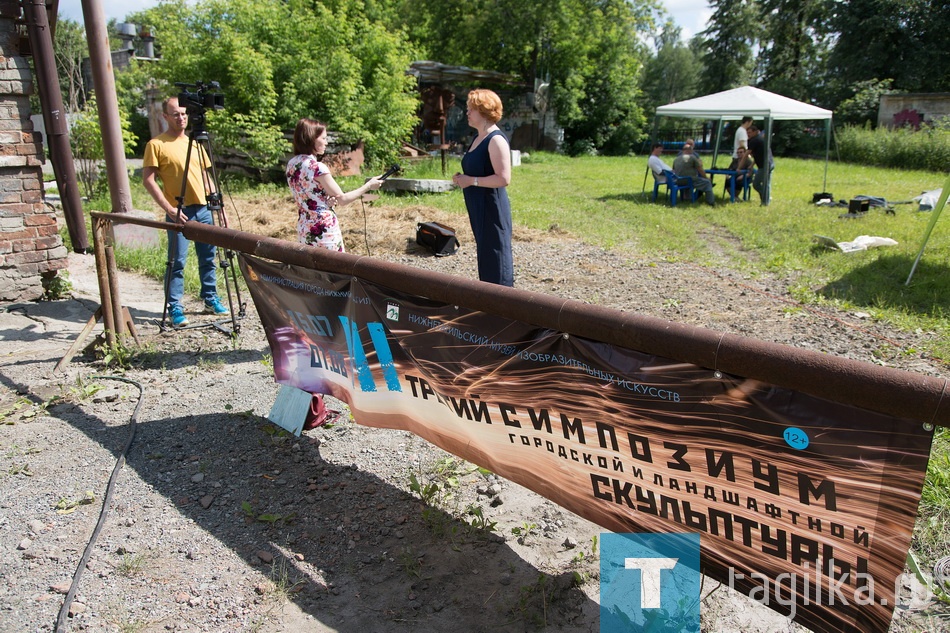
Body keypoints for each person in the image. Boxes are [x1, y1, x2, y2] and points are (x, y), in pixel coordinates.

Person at [143, 96, 227, 328]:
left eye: (183, 113)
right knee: (176, 261)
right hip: (179, 212)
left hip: (203, 209)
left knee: (208, 257)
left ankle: (210, 298)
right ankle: (175, 308)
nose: (180, 118)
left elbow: (205, 176)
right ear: (165, 117)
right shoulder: (157, 144)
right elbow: (148, 180)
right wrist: (168, 208)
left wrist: (217, 205)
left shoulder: (195, 143)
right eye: (175, 114)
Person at [286, 118, 384, 252]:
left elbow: (310, 196)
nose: (326, 142)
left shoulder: (292, 164)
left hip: (304, 226)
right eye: (324, 138)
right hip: (323, 229)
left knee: (312, 269)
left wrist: (326, 201)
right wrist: (368, 185)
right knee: (334, 269)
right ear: (311, 139)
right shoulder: (317, 167)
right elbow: (343, 199)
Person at [452, 89, 513, 287]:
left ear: (484, 111)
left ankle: (504, 307)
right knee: (486, 258)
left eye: (471, 109)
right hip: (478, 208)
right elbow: (478, 170)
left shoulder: (495, 139)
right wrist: (463, 178)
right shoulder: (478, 137)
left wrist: (472, 181)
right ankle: (489, 306)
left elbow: (503, 178)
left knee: (496, 259)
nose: (467, 113)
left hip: (491, 208)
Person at [672, 139, 715, 205]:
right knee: (707, 183)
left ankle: (687, 198)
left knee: (688, 178)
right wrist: (706, 178)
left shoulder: (676, 159)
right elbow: (700, 169)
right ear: (691, 150)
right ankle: (711, 202)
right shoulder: (692, 157)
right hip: (689, 180)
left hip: (678, 180)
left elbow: (673, 170)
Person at [747, 125, 774, 205]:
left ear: (756, 132)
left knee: (756, 184)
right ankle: (766, 201)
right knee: (767, 184)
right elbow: (758, 155)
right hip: (769, 163)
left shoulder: (755, 140)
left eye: (750, 132)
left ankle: (766, 198)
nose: (748, 134)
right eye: (747, 132)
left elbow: (746, 154)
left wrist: (739, 167)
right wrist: (752, 165)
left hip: (765, 165)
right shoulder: (760, 139)